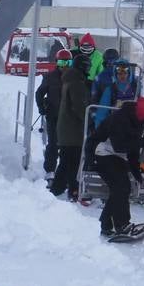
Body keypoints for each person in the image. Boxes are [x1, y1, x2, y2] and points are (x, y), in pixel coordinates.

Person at [84, 97, 144, 239]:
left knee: (121, 188)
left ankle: (107, 224)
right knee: (121, 187)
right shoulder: (121, 118)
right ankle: (122, 225)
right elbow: (121, 145)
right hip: (100, 152)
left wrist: (136, 171)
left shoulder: (138, 120)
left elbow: (132, 149)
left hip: (115, 155)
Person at [49, 51, 91, 201]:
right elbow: (79, 107)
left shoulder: (70, 79)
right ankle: (73, 190)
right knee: (73, 161)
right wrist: (89, 121)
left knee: (66, 160)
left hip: (67, 128)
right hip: (73, 130)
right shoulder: (77, 83)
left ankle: (57, 188)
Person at [35, 49, 69, 174]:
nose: (64, 66)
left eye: (67, 63)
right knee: (53, 143)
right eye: (61, 62)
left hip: (69, 118)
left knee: (67, 145)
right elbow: (39, 93)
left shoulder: (74, 78)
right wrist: (41, 107)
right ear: (56, 62)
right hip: (53, 115)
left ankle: (65, 171)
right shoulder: (50, 77)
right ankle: (50, 170)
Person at [90, 59, 138, 128]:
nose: (122, 76)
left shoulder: (135, 88)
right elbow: (102, 111)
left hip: (133, 122)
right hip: (117, 123)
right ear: (115, 74)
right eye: (119, 74)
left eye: (125, 73)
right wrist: (99, 129)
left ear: (129, 74)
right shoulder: (111, 90)